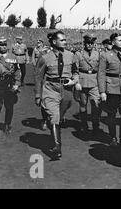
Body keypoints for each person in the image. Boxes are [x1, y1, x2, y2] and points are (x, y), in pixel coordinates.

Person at [34, 31, 78, 159]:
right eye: (62, 40)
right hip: (51, 89)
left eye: (65, 40)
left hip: (66, 90)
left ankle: (53, 126)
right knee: (54, 116)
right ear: (54, 42)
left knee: (59, 115)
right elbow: (38, 77)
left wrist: (74, 80)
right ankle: (57, 147)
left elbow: (76, 72)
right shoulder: (45, 57)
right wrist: (38, 95)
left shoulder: (71, 55)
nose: (65, 42)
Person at [98, 33, 121, 147]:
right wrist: (102, 91)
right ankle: (113, 137)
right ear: (112, 42)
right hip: (111, 88)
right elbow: (101, 74)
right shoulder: (106, 55)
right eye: (119, 40)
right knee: (111, 115)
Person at [74, 34, 102, 133]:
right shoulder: (78, 54)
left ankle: (95, 125)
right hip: (82, 81)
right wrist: (76, 82)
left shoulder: (98, 54)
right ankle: (84, 124)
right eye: (87, 43)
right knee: (83, 104)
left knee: (96, 104)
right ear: (84, 43)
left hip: (94, 82)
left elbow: (101, 70)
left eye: (91, 43)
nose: (89, 45)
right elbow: (75, 70)